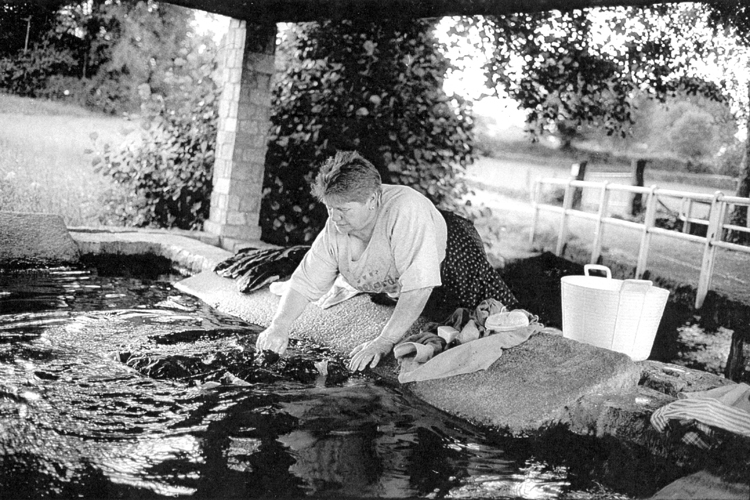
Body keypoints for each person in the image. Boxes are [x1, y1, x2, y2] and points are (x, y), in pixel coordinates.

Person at [256, 151, 518, 371]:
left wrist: (384, 341)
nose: (335, 219)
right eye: (330, 208)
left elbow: (419, 286)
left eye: (344, 210)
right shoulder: (336, 226)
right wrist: (279, 326)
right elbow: (305, 281)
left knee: (491, 320)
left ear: (372, 200)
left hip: (453, 255)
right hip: (400, 275)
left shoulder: (406, 210)